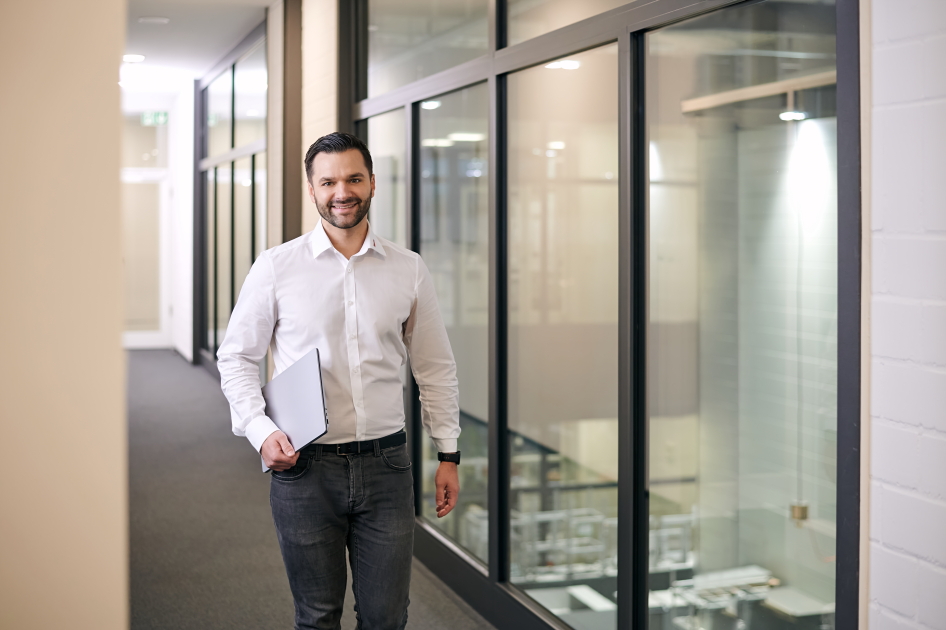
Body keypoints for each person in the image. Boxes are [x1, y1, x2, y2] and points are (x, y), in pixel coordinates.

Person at [217, 132, 461, 630]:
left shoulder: (408, 269)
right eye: (328, 182)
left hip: (386, 466)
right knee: (316, 618)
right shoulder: (276, 268)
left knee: (386, 619)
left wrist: (449, 453)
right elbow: (236, 357)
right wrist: (261, 431)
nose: (342, 192)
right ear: (312, 189)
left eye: (353, 179)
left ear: (372, 183)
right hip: (305, 469)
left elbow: (434, 366)